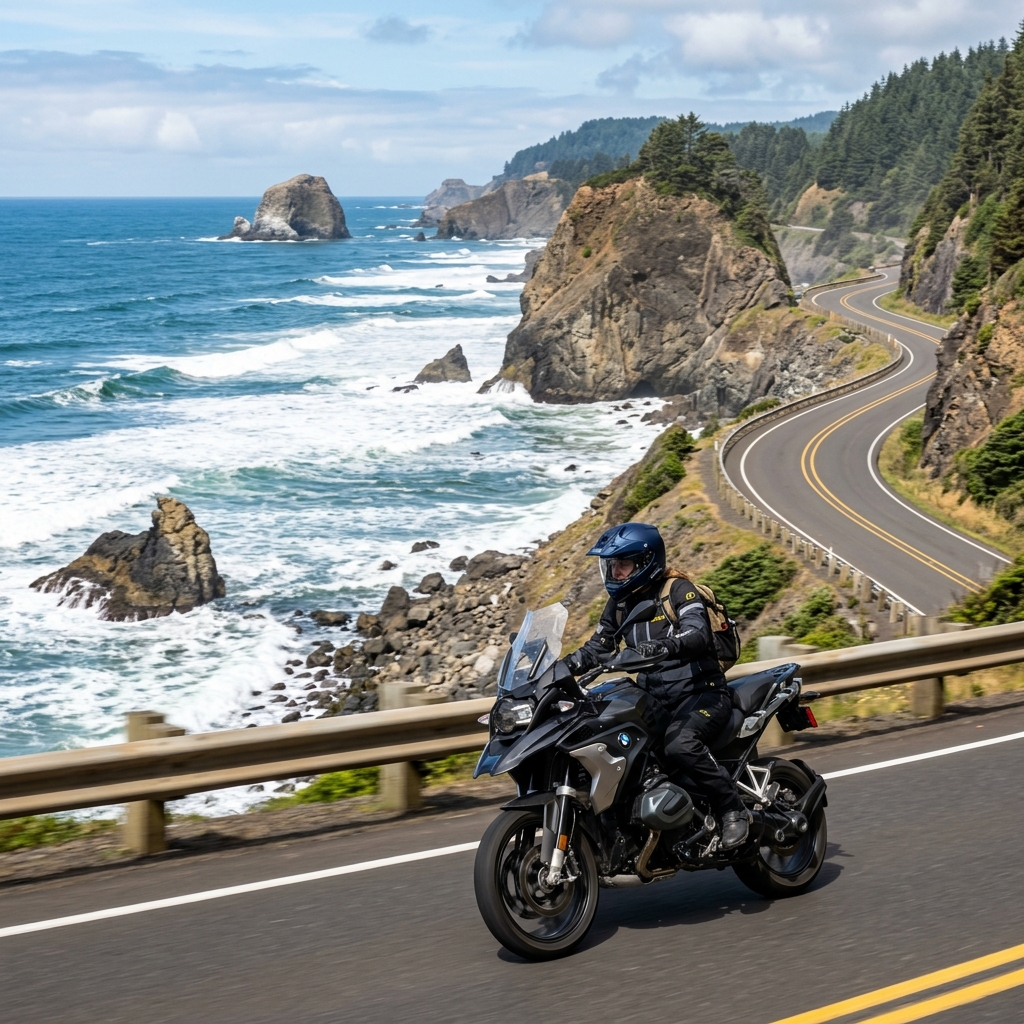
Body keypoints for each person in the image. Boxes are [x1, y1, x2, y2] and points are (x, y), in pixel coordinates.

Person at [561, 521, 751, 849]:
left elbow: (697, 632)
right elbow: (598, 648)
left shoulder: (678, 590)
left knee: (680, 745)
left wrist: (665, 646)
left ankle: (732, 810)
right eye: (611, 565)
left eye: (623, 565)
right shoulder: (619, 606)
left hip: (701, 693)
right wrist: (559, 669)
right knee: (606, 740)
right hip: (654, 698)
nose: (615, 573)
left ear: (646, 562)